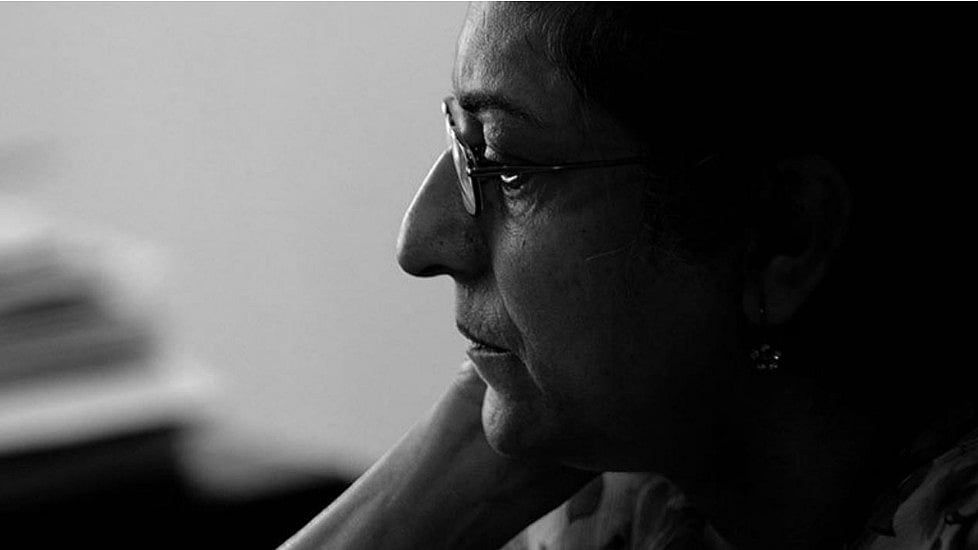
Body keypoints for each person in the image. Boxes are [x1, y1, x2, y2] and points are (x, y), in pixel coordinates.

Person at [283, 4, 976, 549]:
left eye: (508, 164)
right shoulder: (622, 502)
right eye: (463, 144)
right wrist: (425, 498)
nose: (420, 244)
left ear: (782, 235)